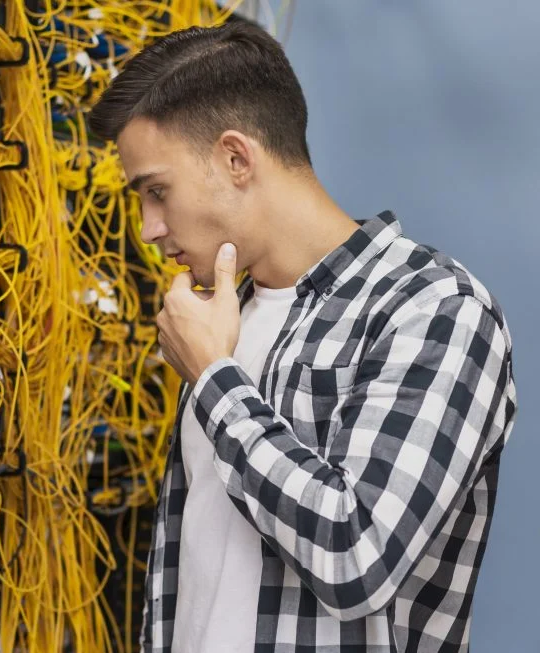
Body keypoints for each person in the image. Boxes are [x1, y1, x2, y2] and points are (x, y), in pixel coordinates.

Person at [88, 20, 517, 653]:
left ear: (236, 159)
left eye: (157, 191)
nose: (149, 228)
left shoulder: (434, 309)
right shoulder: (225, 316)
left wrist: (214, 381)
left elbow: (356, 559)